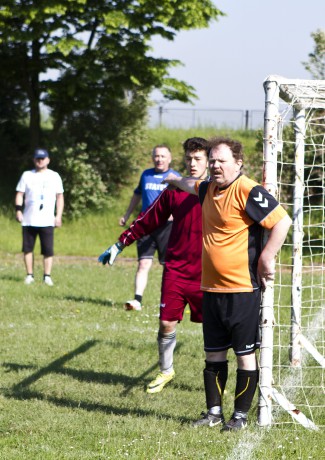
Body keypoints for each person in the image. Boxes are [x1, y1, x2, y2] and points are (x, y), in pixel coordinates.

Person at [162, 137, 292, 431]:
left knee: (245, 355)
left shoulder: (247, 189)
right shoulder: (207, 188)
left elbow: (282, 221)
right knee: (213, 354)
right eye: (213, 161)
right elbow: (187, 184)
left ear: (238, 163)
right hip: (211, 289)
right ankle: (213, 414)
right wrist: (171, 178)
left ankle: (240, 417)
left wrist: (266, 259)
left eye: (222, 160)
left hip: (242, 289)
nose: (216, 166)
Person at [98, 137, 209, 393]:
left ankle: (217, 378)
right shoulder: (175, 190)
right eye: (189, 159)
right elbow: (147, 219)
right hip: (176, 270)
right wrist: (120, 243)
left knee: (214, 330)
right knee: (166, 323)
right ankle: (166, 371)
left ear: (208, 162)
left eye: (198, 159)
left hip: (208, 273)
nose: (192, 164)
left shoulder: (218, 191)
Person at [119, 144, 180, 311]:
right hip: (146, 226)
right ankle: (137, 300)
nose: (159, 159)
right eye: (156, 156)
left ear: (169, 158)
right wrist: (126, 214)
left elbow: (183, 201)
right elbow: (137, 195)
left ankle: (170, 300)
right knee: (143, 264)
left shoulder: (175, 177)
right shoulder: (146, 175)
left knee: (168, 266)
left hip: (167, 228)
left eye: (162, 156)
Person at [15, 148, 64, 286]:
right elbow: (19, 193)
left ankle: (47, 276)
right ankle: (29, 275)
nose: (40, 161)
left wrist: (58, 215)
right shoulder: (27, 175)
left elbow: (59, 196)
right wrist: (18, 211)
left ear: (48, 160)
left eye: (42, 158)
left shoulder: (54, 176)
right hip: (29, 219)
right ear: (34, 160)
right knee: (27, 248)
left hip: (47, 219)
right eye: (37, 158)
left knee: (48, 250)